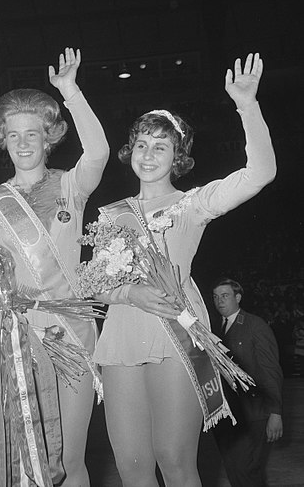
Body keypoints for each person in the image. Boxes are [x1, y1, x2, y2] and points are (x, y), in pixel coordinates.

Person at [91, 53, 276, 486]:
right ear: (129, 152)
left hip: (174, 332)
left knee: (174, 459)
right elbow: (96, 284)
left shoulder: (192, 203)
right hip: (120, 337)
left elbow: (262, 172)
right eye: (141, 144)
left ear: (178, 156)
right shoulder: (110, 214)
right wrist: (128, 294)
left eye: (161, 146)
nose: (149, 153)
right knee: (131, 468)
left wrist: (247, 105)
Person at [0, 47, 110, 486]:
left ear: (50, 137)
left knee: (68, 459)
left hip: (72, 331)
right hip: (19, 336)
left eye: (33, 133)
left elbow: (99, 151)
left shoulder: (72, 186)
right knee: (29, 457)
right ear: (2, 140)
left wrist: (70, 91)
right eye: (14, 135)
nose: (24, 143)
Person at [212, 278, 283, 487]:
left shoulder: (255, 325)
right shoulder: (215, 328)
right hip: (227, 414)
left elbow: (271, 372)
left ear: (238, 297)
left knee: (247, 471)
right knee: (235, 470)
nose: (219, 301)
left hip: (254, 413)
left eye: (225, 296)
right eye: (215, 297)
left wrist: (276, 413)